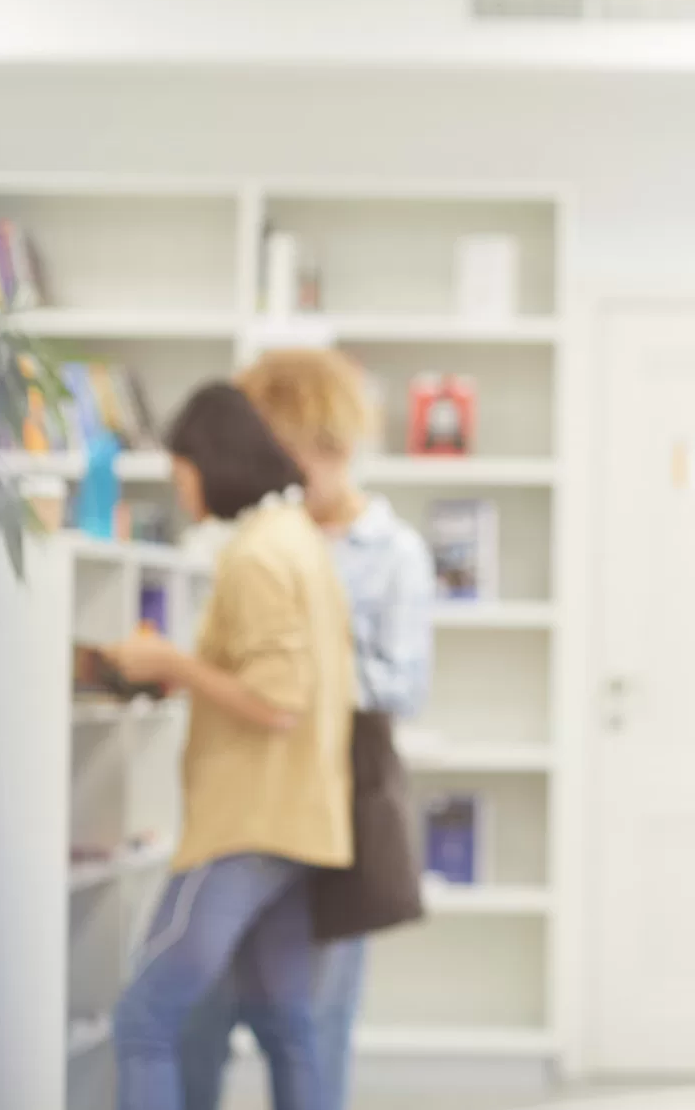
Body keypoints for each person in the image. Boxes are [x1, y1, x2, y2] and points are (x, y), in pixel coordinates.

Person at [179, 349, 437, 1110]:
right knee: (196, 1012)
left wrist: (299, 676)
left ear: (334, 445)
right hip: (243, 803)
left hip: (333, 812)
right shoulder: (242, 536)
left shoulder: (392, 553)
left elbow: (403, 685)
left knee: (312, 1027)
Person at [109, 383, 357, 1110]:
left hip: (245, 826)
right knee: (287, 1027)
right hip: (300, 821)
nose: (180, 490)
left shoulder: (255, 555)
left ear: (207, 462)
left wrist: (172, 664)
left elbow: (279, 701)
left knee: (144, 1019)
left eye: (179, 472)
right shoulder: (300, 539)